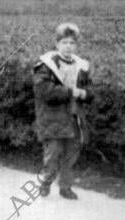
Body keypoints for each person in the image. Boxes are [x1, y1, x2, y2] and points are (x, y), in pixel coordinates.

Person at [33, 22, 93, 200]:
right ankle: (46, 182)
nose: (68, 47)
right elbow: (43, 90)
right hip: (53, 117)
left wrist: (85, 93)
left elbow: (91, 91)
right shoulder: (46, 64)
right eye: (65, 42)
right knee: (53, 153)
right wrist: (69, 91)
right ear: (57, 44)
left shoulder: (81, 66)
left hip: (74, 117)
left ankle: (65, 187)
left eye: (72, 43)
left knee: (71, 153)